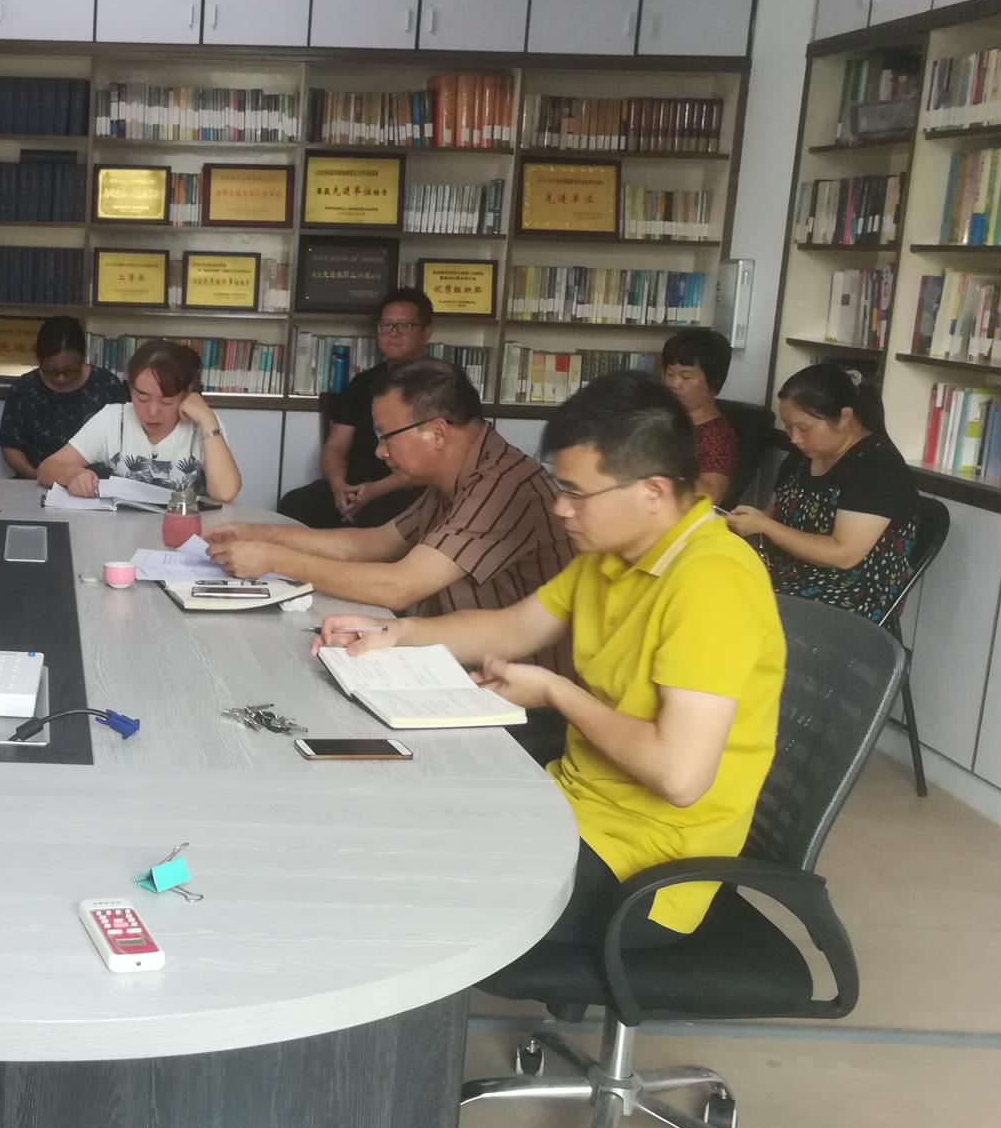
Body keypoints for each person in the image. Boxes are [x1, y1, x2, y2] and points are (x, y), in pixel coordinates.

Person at [315, 373, 785, 949]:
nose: (560, 508)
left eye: (578, 493)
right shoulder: (611, 553)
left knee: (406, 886)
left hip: (645, 865)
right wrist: (397, 632)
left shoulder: (712, 581)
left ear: (653, 492)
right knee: (387, 818)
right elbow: (511, 627)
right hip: (570, 805)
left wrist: (557, 693)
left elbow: (679, 776)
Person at [207, 359, 573, 672]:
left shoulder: (501, 485)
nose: (380, 451)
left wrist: (275, 560)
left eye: (385, 435)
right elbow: (374, 544)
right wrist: (260, 533)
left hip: (516, 690)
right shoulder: (455, 475)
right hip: (456, 664)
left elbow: (399, 586)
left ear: (437, 432)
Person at [725, 362, 918, 623]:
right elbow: (774, 516)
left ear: (845, 417)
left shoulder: (878, 467)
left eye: (804, 428)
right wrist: (744, 522)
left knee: (734, 610)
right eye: (788, 427)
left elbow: (843, 554)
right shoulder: (800, 458)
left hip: (849, 601)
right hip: (787, 577)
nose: (794, 438)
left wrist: (766, 526)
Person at [275, 286, 437, 530]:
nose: (393, 333)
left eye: (404, 326)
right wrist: (339, 487)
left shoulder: (442, 383)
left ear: (426, 331)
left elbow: (434, 464)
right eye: (386, 325)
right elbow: (335, 447)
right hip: (355, 487)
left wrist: (373, 491)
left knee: (381, 516)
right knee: (295, 504)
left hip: (411, 489)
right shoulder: (362, 383)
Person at [35, 339, 241, 502]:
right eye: (142, 398)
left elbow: (225, 493)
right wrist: (73, 475)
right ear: (130, 389)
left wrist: (207, 419)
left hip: (182, 533)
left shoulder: (205, 425)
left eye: (166, 401)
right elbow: (47, 468)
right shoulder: (113, 419)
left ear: (186, 393)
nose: (152, 411)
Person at [0, 315, 128, 479]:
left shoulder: (107, 385)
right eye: (51, 370)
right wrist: (38, 476)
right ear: (39, 359)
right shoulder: (24, 388)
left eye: (69, 370)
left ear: (83, 357)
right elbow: (11, 445)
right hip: (35, 482)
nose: (60, 378)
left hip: (94, 484)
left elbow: (123, 442)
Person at [660, 325, 738, 505]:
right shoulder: (660, 415)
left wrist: (659, 464)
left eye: (686, 377)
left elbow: (711, 496)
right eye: (669, 374)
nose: (674, 384)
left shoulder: (717, 437)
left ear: (714, 380)